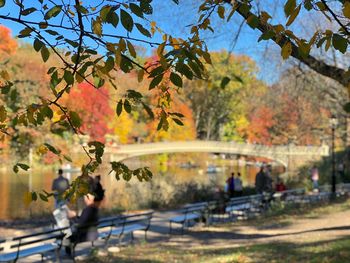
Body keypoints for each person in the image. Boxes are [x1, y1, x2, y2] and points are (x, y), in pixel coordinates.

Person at [64, 185, 105, 257]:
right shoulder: (95, 209)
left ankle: (68, 255)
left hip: (84, 236)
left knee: (66, 238)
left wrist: (73, 217)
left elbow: (80, 224)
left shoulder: (88, 210)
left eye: (86, 197)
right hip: (91, 233)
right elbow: (83, 220)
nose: (85, 199)